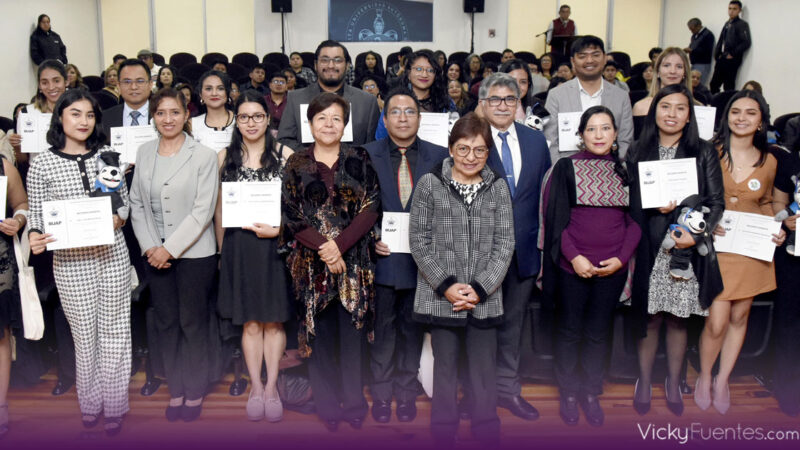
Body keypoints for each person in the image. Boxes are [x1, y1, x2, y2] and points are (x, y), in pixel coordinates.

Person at [28, 89, 131, 436]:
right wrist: (34, 235)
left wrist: (117, 218)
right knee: (84, 335)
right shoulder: (43, 161)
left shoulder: (106, 156)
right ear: (60, 117)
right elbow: (37, 213)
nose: (83, 121)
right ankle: (90, 403)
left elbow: (122, 205)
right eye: (75, 114)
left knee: (115, 330)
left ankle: (115, 406)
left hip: (111, 255)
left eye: (89, 115)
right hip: (71, 263)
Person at [409, 113, 514, 446]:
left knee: (483, 372)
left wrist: (480, 288)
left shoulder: (497, 186)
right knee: (446, 370)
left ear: (488, 153)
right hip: (441, 297)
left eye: (479, 150)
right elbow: (419, 240)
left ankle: (486, 431)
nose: (471, 157)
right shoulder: (429, 183)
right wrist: (448, 286)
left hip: (485, 297)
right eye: (464, 148)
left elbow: (505, 242)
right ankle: (443, 431)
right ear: (451, 148)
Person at [280, 93, 380, 432]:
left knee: (352, 337)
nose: (329, 124)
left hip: (354, 265)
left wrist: (339, 247)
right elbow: (291, 215)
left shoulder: (359, 157)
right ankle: (327, 407)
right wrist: (326, 249)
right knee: (319, 338)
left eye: (336, 118)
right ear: (310, 124)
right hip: (311, 267)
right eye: (321, 118)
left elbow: (371, 207)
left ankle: (353, 404)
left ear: (345, 123)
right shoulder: (296, 163)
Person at [626, 84, 725, 419]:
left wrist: (695, 234)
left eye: (680, 108)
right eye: (665, 106)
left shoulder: (703, 151)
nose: (671, 114)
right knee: (650, 318)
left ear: (689, 115)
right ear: (654, 111)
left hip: (684, 251)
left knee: (678, 321)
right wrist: (653, 207)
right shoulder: (639, 148)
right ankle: (643, 380)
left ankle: (672, 382)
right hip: (649, 245)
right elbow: (628, 203)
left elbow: (716, 203)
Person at [542, 106, 640, 426]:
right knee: (570, 331)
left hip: (612, 270)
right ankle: (569, 392)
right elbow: (555, 220)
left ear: (615, 134)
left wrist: (621, 259)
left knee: (599, 333)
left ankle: (589, 391)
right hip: (574, 267)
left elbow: (635, 224)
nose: (599, 135)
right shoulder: (566, 168)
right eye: (591, 129)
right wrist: (575, 257)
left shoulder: (626, 170)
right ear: (581, 135)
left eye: (605, 128)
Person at [129, 88, 220, 422]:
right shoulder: (144, 151)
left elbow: (203, 210)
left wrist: (169, 248)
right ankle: (177, 389)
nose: (167, 119)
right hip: (154, 254)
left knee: (191, 323)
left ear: (186, 115)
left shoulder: (204, 155)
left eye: (174, 112)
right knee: (166, 323)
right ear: (153, 117)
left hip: (195, 254)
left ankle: (195, 391)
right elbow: (137, 203)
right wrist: (152, 247)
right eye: (160, 113)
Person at [695, 89, 784, 415]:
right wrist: (706, 220)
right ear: (727, 117)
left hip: (751, 248)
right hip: (717, 248)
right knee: (717, 320)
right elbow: (696, 197)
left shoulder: (770, 159)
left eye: (750, 113)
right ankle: (704, 376)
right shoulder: (710, 152)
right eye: (736, 112)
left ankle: (722, 380)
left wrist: (777, 228)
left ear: (761, 120)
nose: (742, 118)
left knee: (739, 316)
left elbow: (772, 203)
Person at [363, 88, 448, 424]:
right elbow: (354, 209)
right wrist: (370, 238)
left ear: (419, 118)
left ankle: (405, 393)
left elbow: (447, 209)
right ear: (385, 120)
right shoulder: (366, 154)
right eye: (395, 112)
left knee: (412, 331)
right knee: (382, 333)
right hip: (381, 260)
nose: (402, 117)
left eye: (409, 111)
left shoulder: (440, 156)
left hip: (421, 264)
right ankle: (382, 397)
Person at [214, 91, 293, 422]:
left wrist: (281, 230)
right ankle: (256, 387)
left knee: (273, 320)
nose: (251, 123)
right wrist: (221, 252)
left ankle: (273, 387)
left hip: (274, 246)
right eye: (244, 117)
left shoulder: (285, 154)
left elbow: (297, 207)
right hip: (239, 247)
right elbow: (218, 209)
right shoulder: (223, 156)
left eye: (257, 116)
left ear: (268, 118)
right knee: (249, 321)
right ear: (237, 119)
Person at [478, 73, 551, 421]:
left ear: (519, 103)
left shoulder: (536, 142)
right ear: (483, 103)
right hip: (479, 255)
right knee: (478, 327)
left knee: (512, 325)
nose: (503, 105)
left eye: (510, 99)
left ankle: (508, 390)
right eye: (495, 99)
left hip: (524, 252)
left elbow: (545, 197)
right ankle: (479, 394)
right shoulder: (470, 140)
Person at [277, 40, 380, 151]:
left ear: (347, 65)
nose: (331, 65)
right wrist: (312, 157)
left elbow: (374, 145)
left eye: (337, 60)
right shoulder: (295, 99)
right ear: (316, 65)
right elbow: (284, 140)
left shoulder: (367, 102)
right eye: (325, 60)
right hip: (306, 166)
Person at [544, 35, 633, 162]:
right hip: (567, 170)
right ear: (573, 61)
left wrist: (615, 171)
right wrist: (561, 171)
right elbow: (550, 141)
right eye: (582, 56)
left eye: (595, 55)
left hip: (610, 172)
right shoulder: (556, 95)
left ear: (604, 58)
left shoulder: (621, 96)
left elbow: (625, 140)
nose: (589, 60)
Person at [0, 147, 29, 437]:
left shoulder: (3, 166)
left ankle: (0, 407)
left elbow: (21, 203)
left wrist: (17, 221)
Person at [772, 140, 800, 417]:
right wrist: (785, 219)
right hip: (794, 254)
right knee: (789, 323)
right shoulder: (791, 161)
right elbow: (779, 201)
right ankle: (789, 390)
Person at [375, 50, 453, 140]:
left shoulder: (446, 102)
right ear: (408, 73)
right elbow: (380, 138)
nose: (424, 74)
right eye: (419, 69)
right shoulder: (394, 102)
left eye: (430, 70)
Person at [8, 59, 68, 172]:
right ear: (39, 86)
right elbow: (22, 161)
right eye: (44, 82)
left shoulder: (78, 111)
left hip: (72, 172)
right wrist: (17, 147)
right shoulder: (27, 113)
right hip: (40, 174)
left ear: (66, 81)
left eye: (56, 81)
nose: (51, 87)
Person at [632, 48, 693, 138]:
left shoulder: (697, 108)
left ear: (685, 72)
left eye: (679, 66)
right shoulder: (640, 107)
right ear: (658, 71)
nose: (672, 71)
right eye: (666, 65)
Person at [710, 1, 751, 94]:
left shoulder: (741, 24)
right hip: (722, 58)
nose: (731, 11)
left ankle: (727, 107)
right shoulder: (727, 23)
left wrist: (732, 53)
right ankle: (715, 105)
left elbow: (746, 42)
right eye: (730, 8)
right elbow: (721, 40)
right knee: (714, 84)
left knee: (728, 86)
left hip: (732, 60)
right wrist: (717, 55)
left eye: (734, 9)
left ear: (739, 10)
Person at [101, 59, 152, 132]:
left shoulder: (163, 115)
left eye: (140, 81)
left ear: (150, 84)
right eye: (127, 82)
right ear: (118, 86)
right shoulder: (105, 118)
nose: (133, 87)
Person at [191, 70, 235, 150]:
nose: (214, 93)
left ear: (227, 93)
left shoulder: (241, 121)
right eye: (208, 89)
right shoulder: (192, 124)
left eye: (220, 88)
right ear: (200, 94)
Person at [685, 18, 715, 87]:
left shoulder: (708, 35)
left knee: (698, 85)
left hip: (703, 63)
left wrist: (692, 51)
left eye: (692, 29)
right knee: (690, 84)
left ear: (698, 26)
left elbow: (707, 50)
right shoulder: (694, 35)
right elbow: (692, 46)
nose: (691, 31)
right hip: (694, 63)